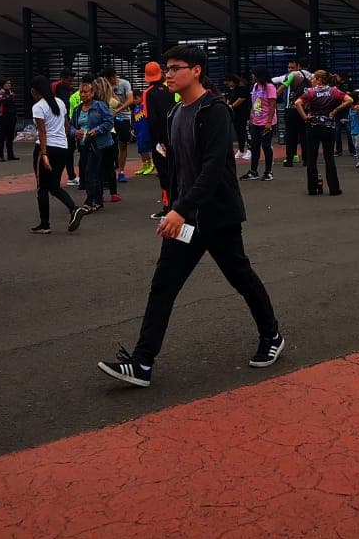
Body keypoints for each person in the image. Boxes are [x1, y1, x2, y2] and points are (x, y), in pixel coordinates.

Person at [98, 45, 283, 388]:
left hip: (217, 215)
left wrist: (180, 209)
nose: (168, 74)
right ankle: (142, 362)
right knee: (163, 285)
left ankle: (272, 335)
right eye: (166, 68)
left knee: (241, 277)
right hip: (186, 218)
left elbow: (213, 169)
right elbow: (179, 168)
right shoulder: (175, 112)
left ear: (196, 70)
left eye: (175, 68)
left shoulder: (214, 110)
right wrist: (173, 206)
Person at [28, 76, 82, 234]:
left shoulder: (38, 106)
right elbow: (66, 126)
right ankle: (73, 208)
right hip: (62, 148)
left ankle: (45, 224)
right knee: (54, 186)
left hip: (46, 148)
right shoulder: (60, 102)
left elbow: (42, 131)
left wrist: (44, 153)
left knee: (42, 188)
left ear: (35, 91)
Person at [296, 70, 353, 196]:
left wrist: (305, 117)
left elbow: (297, 103)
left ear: (319, 79)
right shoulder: (334, 91)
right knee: (329, 157)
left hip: (313, 126)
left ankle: (312, 188)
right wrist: (335, 110)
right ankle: (334, 189)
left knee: (312, 158)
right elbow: (349, 100)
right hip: (329, 127)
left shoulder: (310, 92)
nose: (312, 81)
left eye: (313, 78)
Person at [71, 77, 115, 217]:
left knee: (90, 172)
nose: (83, 94)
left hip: (98, 145)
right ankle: (98, 199)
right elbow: (71, 126)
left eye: (86, 92)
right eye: (81, 92)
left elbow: (109, 122)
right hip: (84, 144)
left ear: (92, 93)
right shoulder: (77, 110)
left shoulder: (99, 106)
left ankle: (90, 201)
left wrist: (97, 130)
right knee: (91, 172)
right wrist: (75, 132)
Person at [142, 67, 172, 217]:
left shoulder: (148, 93)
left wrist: (157, 141)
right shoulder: (168, 90)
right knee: (174, 171)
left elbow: (151, 118)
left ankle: (168, 207)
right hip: (172, 136)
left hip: (159, 140)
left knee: (164, 174)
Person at [273, 60, 312, 167]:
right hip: (306, 109)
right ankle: (307, 160)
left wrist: (272, 99)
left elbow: (281, 89)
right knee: (305, 135)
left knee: (291, 135)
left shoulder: (293, 75)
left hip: (292, 108)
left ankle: (289, 159)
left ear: (298, 66)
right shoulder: (312, 76)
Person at [241, 66, 277, 182]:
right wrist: (252, 116)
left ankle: (268, 172)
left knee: (266, 146)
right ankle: (253, 171)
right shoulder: (256, 86)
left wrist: (269, 122)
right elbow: (254, 102)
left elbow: (272, 105)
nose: (252, 76)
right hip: (256, 121)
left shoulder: (270, 87)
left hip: (266, 122)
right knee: (254, 146)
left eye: (254, 74)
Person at [105, 69, 136, 183]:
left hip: (124, 118)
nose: (108, 82)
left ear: (114, 77)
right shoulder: (105, 85)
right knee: (110, 145)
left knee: (123, 145)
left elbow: (130, 100)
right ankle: (108, 173)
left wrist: (118, 110)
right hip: (110, 118)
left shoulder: (125, 83)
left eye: (110, 79)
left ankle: (121, 172)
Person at [225, 75, 251, 160]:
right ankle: (241, 150)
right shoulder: (232, 89)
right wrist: (227, 105)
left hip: (245, 114)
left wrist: (232, 106)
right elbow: (229, 99)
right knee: (239, 133)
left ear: (233, 81)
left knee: (247, 132)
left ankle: (250, 150)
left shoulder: (243, 88)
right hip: (236, 115)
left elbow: (242, 98)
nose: (229, 85)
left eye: (229, 82)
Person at [0, 78, 19, 162]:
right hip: (2, 117)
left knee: (10, 136)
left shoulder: (11, 93)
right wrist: (9, 96)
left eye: (9, 83)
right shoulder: (0, 92)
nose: (9, 85)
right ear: (3, 84)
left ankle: (10, 155)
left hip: (11, 116)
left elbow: (12, 103)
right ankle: (0, 156)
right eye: (7, 83)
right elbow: (4, 101)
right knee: (2, 136)